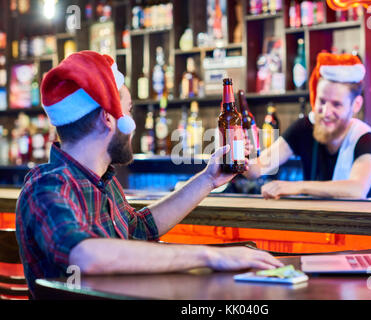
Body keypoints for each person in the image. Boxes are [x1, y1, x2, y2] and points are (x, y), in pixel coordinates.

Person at [15, 51, 282, 298]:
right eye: (129, 109)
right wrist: (210, 257)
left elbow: (139, 229)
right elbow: (85, 255)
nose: (134, 124)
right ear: (109, 118)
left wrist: (207, 180)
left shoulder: (101, 179)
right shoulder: (47, 187)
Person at [245, 52, 371, 199]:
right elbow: (256, 170)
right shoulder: (304, 127)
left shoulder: (365, 138)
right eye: (321, 101)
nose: (325, 112)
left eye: (336, 104)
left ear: (356, 105)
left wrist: (297, 186)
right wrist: (243, 152)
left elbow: (356, 189)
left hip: (354, 221)